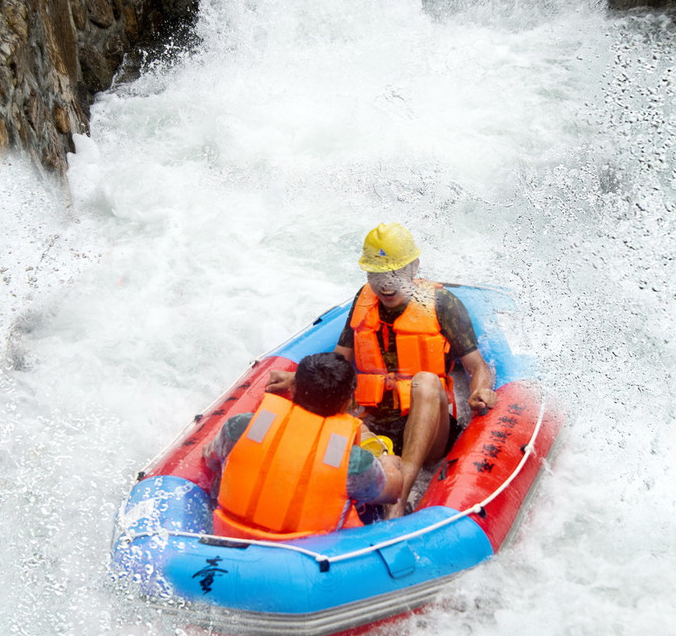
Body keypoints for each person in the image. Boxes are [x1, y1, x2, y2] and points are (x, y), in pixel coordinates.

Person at [267, 223, 497, 517]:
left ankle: (399, 497)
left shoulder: (443, 304)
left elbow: (478, 366)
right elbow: (337, 363)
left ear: (414, 267)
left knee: (426, 382)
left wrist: (479, 390)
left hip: (428, 427)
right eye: (376, 275)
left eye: (395, 274)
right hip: (373, 423)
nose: (386, 284)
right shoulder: (364, 301)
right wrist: (297, 378)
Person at [204, 351, 402, 539]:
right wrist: (388, 462)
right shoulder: (353, 461)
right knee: (386, 476)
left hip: (230, 537)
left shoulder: (240, 426)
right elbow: (392, 492)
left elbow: (210, 457)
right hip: (303, 554)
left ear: (293, 388)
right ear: (347, 404)